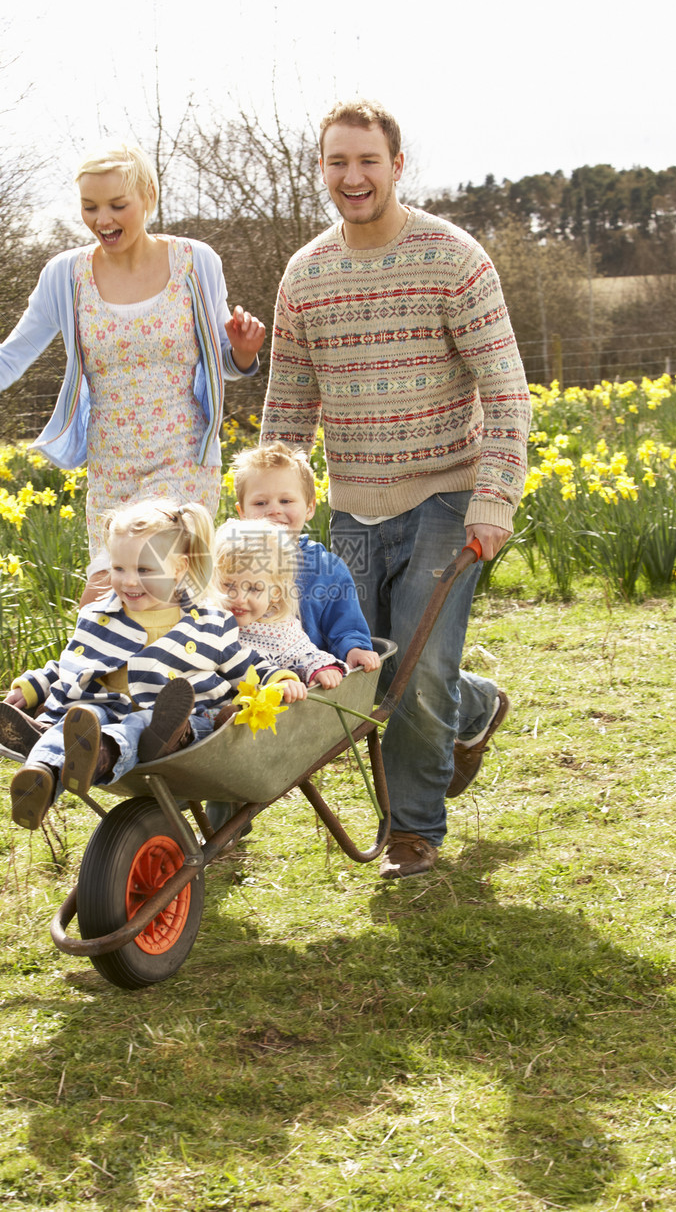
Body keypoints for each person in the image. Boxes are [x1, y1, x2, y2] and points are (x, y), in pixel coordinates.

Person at [260, 98, 531, 880]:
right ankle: (476, 707)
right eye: (337, 162)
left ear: (397, 166)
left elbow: (507, 392)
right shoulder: (305, 276)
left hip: (448, 496)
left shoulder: (454, 258)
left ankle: (414, 831)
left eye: (367, 161)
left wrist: (494, 500)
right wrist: (266, 515)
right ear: (322, 170)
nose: (353, 177)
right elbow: (288, 404)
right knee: (374, 675)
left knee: (414, 668)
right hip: (353, 504)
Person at [0, 141, 265, 603]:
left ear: (148, 195)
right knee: (114, 603)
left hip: (183, 458)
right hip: (110, 466)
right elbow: (12, 353)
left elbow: (224, 361)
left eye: (116, 205)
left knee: (142, 590)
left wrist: (244, 352)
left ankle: (140, 674)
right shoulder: (66, 276)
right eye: (90, 207)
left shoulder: (195, 263)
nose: (102, 219)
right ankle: (106, 677)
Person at [0, 498, 306, 830]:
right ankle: (40, 776)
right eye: (119, 568)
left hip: (177, 723)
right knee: (77, 719)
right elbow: (73, 662)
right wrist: (33, 686)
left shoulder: (208, 622)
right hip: (105, 706)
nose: (128, 582)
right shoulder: (101, 615)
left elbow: (245, 666)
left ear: (179, 569)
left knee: (140, 724)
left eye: (144, 570)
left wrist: (279, 678)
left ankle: (99, 756)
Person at [205, 517, 347, 835]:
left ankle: (224, 828)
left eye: (254, 588)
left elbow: (305, 654)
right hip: (207, 716)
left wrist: (323, 669)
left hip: (254, 726)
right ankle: (222, 827)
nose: (239, 598)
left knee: (227, 742)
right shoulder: (206, 621)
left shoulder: (279, 630)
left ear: (276, 594)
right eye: (228, 585)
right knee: (208, 754)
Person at [230, 441, 380, 673]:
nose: (274, 510)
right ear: (242, 513)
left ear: (309, 508)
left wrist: (354, 649)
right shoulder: (230, 563)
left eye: (286, 501)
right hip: (242, 676)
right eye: (260, 503)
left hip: (311, 677)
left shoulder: (327, 569)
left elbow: (345, 626)